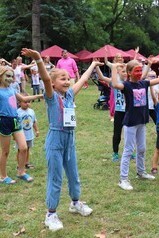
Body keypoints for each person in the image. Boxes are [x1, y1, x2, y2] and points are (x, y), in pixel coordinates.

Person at [21, 48, 103, 231]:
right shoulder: (51, 97)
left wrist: (92, 65)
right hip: (55, 141)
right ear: (55, 83)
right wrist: (38, 59)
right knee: (56, 177)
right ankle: (51, 214)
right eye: (62, 79)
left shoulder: (70, 95)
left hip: (70, 140)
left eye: (68, 78)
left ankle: (75, 203)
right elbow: (46, 79)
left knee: (74, 175)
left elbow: (81, 80)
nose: (67, 81)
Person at [110, 58, 159, 191]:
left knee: (142, 148)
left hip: (142, 120)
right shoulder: (127, 85)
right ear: (129, 72)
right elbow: (114, 84)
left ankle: (141, 172)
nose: (139, 73)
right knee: (128, 150)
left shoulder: (144, 83)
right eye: (136, 71)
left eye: (141, 70)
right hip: (130, 122)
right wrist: (113, 68)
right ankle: (123, 179)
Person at [0, 66, 42, 185]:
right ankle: (3, 176)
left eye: (11, 76)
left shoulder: (12, 89)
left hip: (15, 120)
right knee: (5, 151)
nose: (10, 78)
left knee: (23, 147)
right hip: (4, 121)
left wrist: (40, 96)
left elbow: (23, 98)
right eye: (7, 76)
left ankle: (21, 172)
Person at [16, 93, 39, 169]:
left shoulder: (31, 111)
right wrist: (14, 135)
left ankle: (26, 163)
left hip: (29, 134)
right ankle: (19, 165)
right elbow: (15, 124)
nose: (27, 104)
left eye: (29, 102)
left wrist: (37, 130)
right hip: (20, 135)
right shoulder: (17, 112)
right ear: (19, 103)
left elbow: (34, 122)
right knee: (20, 150)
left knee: (27, 149)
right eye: (25, 102)